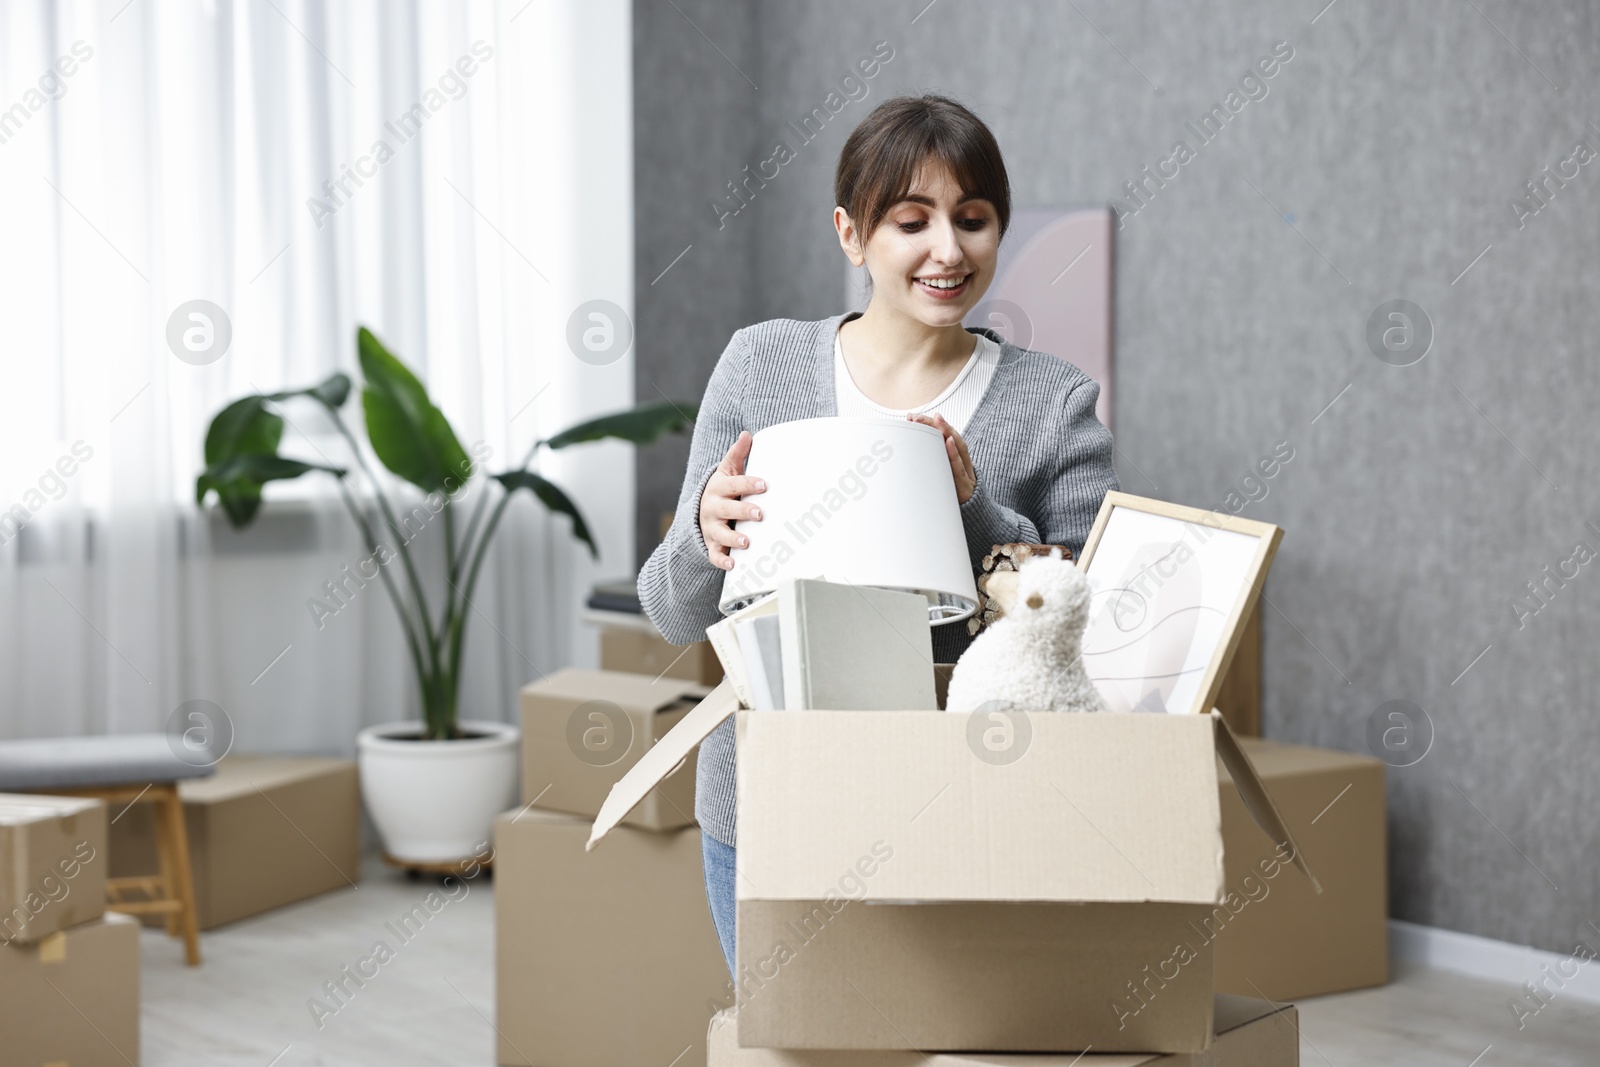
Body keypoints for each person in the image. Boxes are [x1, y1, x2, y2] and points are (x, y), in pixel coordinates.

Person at [637, 94, 1118, 981]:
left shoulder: (1057, 403)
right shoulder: (760, 363)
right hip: (768, 801)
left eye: (973, 219)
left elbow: (1077, 633)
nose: (949, 249)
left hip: (969, 799)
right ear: (852, 235)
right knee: (792, 1044)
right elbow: (671, 614)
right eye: (911, 220)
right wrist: (707, 531)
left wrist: (967, 507)